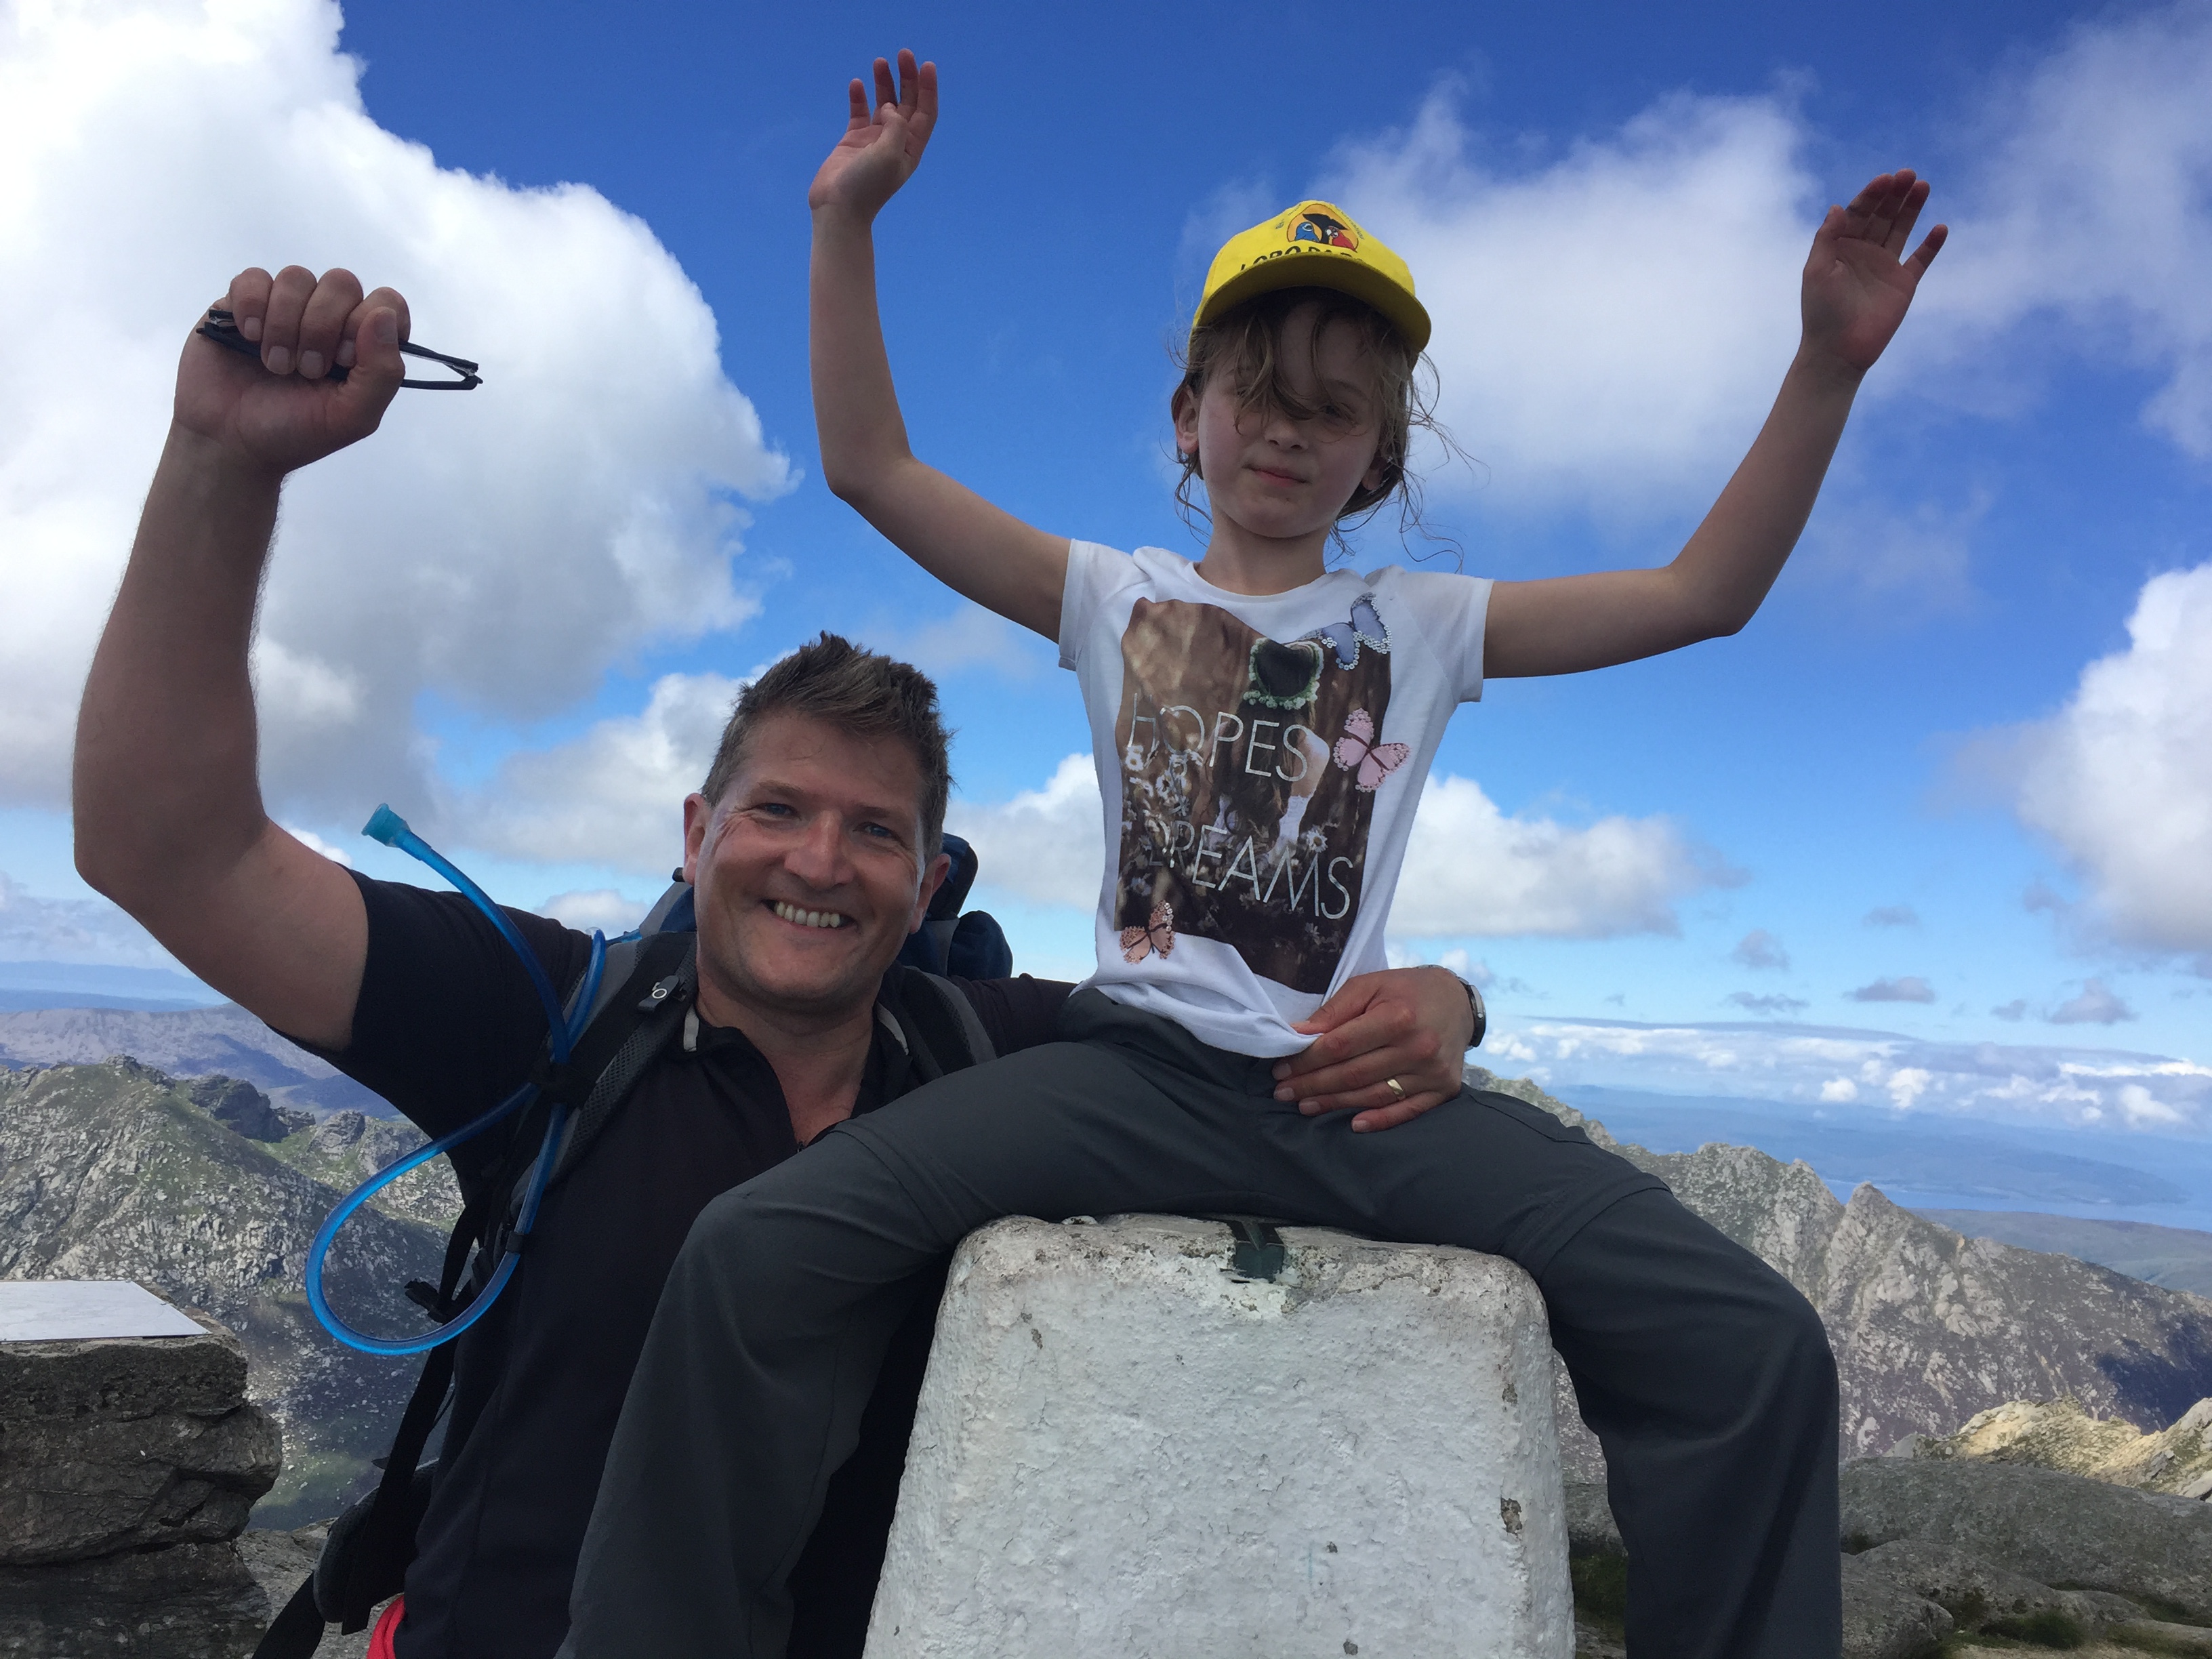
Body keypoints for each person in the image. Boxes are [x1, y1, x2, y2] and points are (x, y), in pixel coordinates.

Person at [560, 49, 1948, 1659]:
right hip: (1119, 1075)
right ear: (1190, 416)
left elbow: (1706, 592)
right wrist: (844, 219)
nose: (1289, 432)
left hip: (1343, 1095)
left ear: (1381, 457)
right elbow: (872, 468)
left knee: (1752, 1341)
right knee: (753, 1255)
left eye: (1336, 409)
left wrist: (1825, 373)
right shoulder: (1115, 597)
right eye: (1258, 393)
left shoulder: (1428, 625)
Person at [69, 266, 1482, 1659]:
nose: (817, 861)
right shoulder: (558, 1018)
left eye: (874, 831)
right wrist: (220, 462)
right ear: (697, 835)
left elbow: (1242, 1050)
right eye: (779, 812)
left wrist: (1449, 1003)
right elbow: (165, 848)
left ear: (929, 881)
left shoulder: (999, 1059)